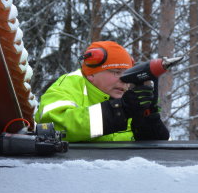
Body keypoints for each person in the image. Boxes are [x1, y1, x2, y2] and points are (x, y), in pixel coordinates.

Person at [35, 40, 170, 142]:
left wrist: (150, 124)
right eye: (116, 72)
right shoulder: (70, 84)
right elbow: (54, 126)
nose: (124, 80)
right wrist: (119, 111)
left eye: (127, 74)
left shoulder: (130, 100)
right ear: (91, 74)